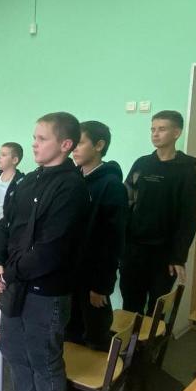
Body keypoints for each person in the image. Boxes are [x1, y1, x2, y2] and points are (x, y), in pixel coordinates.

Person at [0, 112, 90, 391]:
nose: (34, 143)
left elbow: (51, 249)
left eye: (42, 138)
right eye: (34, 137)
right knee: (14, 350)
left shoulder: (71, 188)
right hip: (16, 285)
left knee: (43, 359)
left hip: (47, 290)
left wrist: (9, 273)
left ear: (65, 144)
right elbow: (5, 226)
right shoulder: (29, 181)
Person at [120, 110, 196, 315]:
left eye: (161, 129)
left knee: (157, 309)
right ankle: (130, 338)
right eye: (152, 129)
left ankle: (151, 338)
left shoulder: (186, 169)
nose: (155, 134)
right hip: (134, 249)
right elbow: (126, 201)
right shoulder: (142, 164)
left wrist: (178, 256)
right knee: (131, 305)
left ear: (176, 133)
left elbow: (188, 216)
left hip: (164, 253)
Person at [67, 121, 127, 350]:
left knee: (95, 337)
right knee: (70, 333)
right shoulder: (73, 179)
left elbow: (113, 240)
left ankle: (103, 371)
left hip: (93, 278)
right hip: (71, 272)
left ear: (99, 145)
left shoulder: (111, 186)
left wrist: (102, 285)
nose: (74, 148)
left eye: (80, 143)